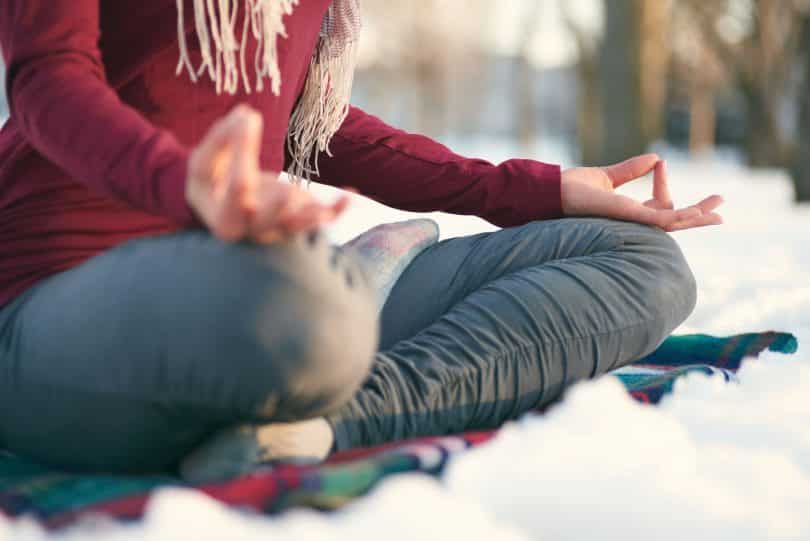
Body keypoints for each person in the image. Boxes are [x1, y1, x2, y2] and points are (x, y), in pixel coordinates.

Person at [0, 0, 723, 480]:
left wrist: (538, 189)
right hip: (56, 305)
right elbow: (47, 82)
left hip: (263, 298)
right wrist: (186, 182)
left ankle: (328, 420)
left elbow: (312, 122)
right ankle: (338, 299)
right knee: (305, 307)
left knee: (645, 264)